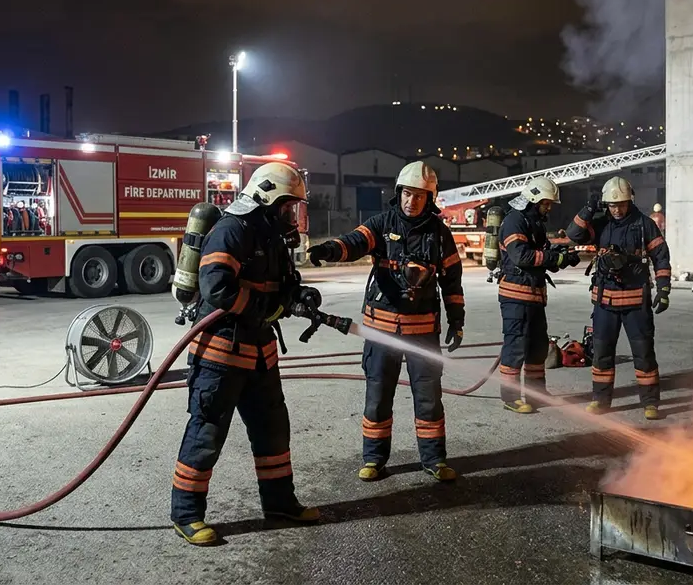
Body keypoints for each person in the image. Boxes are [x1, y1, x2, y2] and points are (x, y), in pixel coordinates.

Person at [170, 162, 321, 546]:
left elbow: (283, 284)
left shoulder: (271, 235)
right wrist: (264, 308)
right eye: (288, 207)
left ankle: (280, 503)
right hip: (221, 354)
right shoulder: (231, 229)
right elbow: (216, 286)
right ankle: (186, 514)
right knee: (206, 433)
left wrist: (298, 297)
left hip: (260, 355)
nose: (292, 216)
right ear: (268, 199)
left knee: (273, 433)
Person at [307, 161, 465, 483]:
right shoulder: (382, 224)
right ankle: (374, 460)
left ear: (429, 198)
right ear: (398, 193)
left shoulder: (439, 234)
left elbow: (452, 281)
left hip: (422, 334)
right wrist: (329, 249)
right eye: (407, 194)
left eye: (419, 196)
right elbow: (355, 242)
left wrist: (456, 321)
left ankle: (434, 460)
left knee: (429, 399)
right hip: (381, 332)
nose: (411, 201)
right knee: (378, 397)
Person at [566, 176, 671, 420]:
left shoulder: (644, 224)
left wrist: (664, 289)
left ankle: (650, 403)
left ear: (629, 200)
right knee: (602, 353)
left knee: (644, 353)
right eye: (612, 205)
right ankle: (600, 400)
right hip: (605, 303)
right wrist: (589, 209)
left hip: (636, 302)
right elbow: (574, 234)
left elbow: (661, 256)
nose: (616, 209)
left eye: (621, 204)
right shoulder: (601, 223)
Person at [496, 177, 580, 413]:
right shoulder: (514, 221)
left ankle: (537, 393)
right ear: (533, 200)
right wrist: (556, 258)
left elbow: (541, 253)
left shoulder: (533, 222)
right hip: (516, 296)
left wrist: (562, 255)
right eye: (546, 203)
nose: (549, 208)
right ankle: (510, 398)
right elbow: (521, 256)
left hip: (533, 295)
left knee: (537, 346)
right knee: (516, 347)